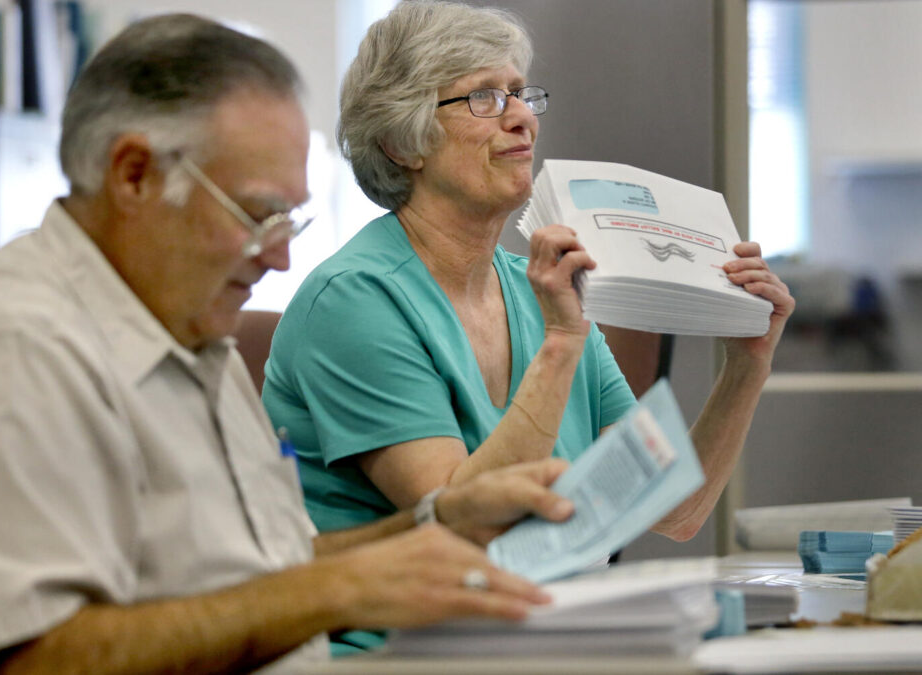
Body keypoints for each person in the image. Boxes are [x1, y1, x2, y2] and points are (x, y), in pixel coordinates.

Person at [0, 14, 580, 675]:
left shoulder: (192, 336)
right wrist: (335, 588)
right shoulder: (14, 348)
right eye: (258, 214)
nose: (280, 260)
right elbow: (39, 657)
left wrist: (435, 524)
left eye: (289, 220)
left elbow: (262, 574)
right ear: (134, 176)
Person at [262, 0, 795, 653]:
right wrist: (563, 343)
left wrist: (747, 364)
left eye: (519, 93)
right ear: (402, 142)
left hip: (536, 640)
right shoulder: (354, 300)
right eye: (482, 98)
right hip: (396, 653)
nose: (522, 118)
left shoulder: (532, 288)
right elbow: (467, 525)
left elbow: (674, 510)